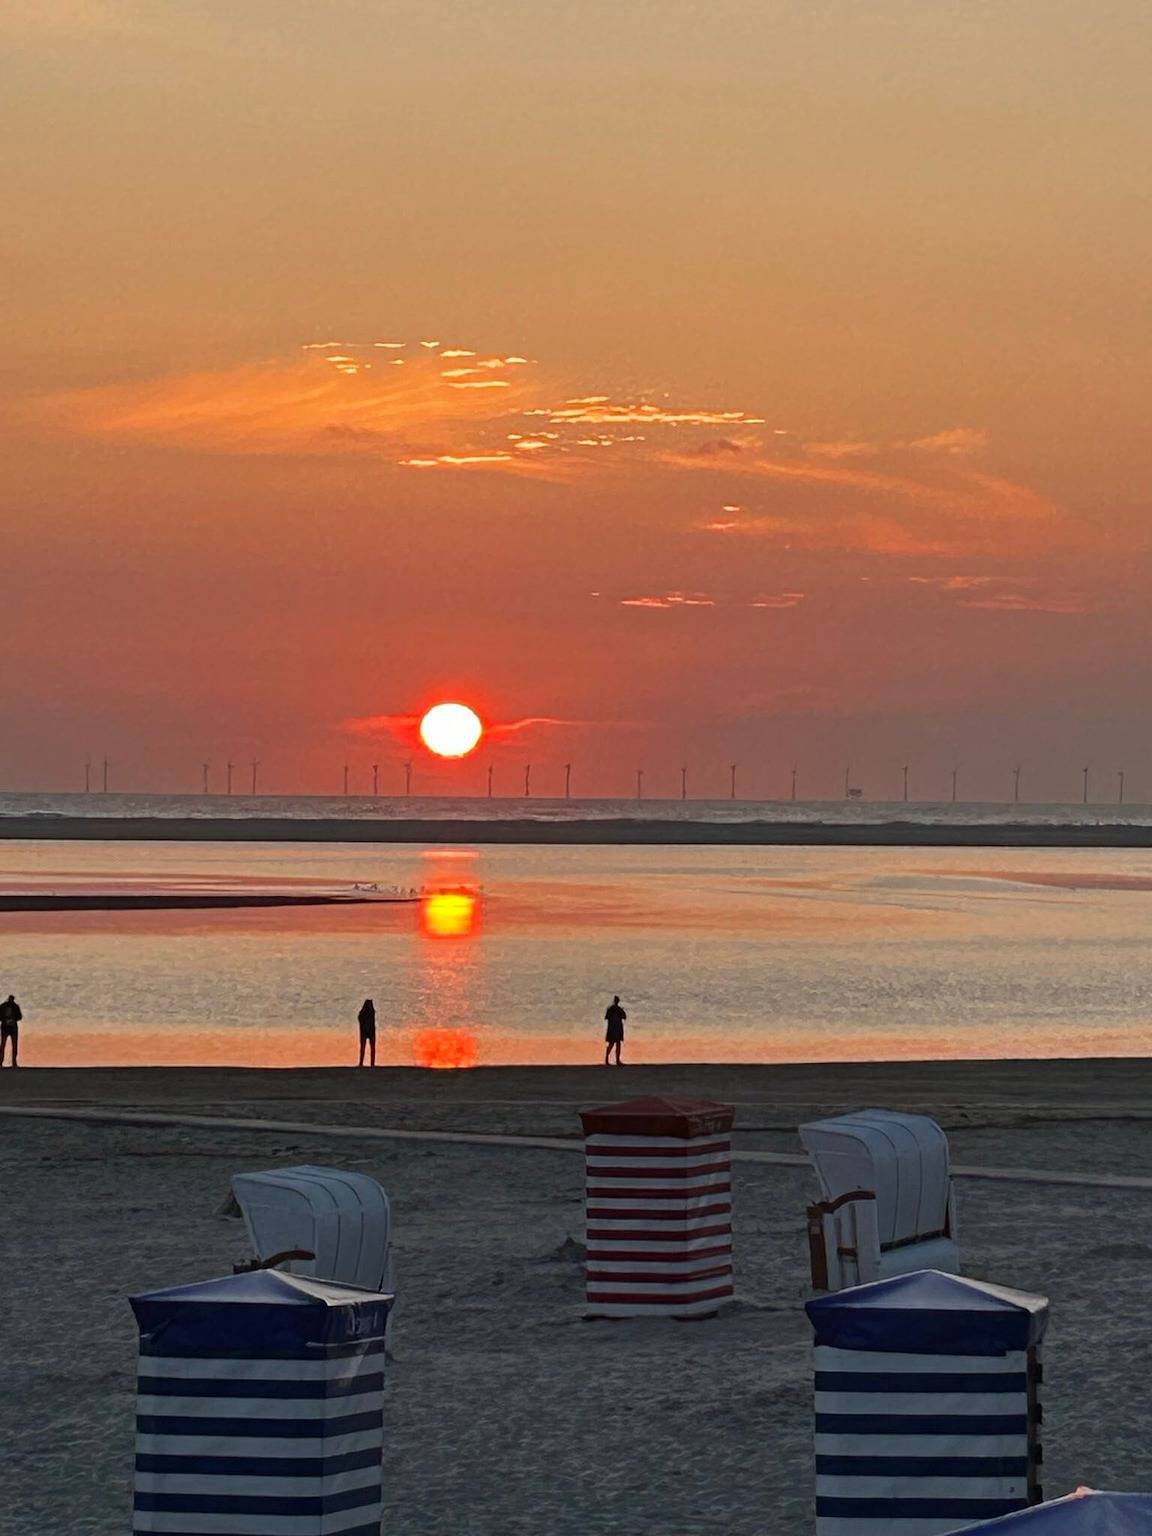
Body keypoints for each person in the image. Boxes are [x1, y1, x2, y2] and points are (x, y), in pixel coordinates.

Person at [0, 994, 22, 1068]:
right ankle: (11, 1063)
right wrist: (8, 1020)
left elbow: (19, 1017)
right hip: (8, 1027)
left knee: (7, 1045)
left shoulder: (5, 1006)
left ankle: (12, 1063)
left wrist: (9, 1020)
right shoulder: (12, 1006)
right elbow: (19, 1017)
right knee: (6, 1045)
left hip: (9, 1027)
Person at [604, 995, 626, 1066]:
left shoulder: (617, 1009)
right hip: (614, 1028)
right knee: (612, 1044)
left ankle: (616, 1060)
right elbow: (607, 1017)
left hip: (617, 1028)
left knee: (617, 1044)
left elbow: (624, 1016)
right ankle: (608, 1059)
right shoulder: (612, 1009)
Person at [357, 998, 377, 1067]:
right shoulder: (370, 1012)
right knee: (366, 1048)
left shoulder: (369, 1012)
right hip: (367, 1031)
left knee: (370, 1048)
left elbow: (360, 1020)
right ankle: (366, 1063)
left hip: (368, 1031)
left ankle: (370, 1063)